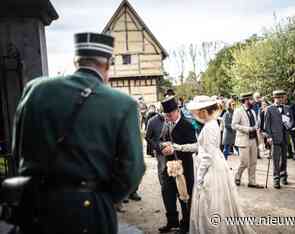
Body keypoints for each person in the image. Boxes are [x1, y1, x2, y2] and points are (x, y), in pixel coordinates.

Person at [11, 32, 145, 234]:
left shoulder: (34, 89)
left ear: (76, 61)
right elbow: (132, 169)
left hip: (36, 206)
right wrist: (103, 198)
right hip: (88, 211)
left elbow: (17, 150)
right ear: (107, 64)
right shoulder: (123, 104)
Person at [186, 96, 256, 234]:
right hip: (216, 163)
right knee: (217, 200)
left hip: (211, 168)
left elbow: (207, 155)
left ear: (204, 112)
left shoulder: (209, 126)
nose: (196, 115)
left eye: (197, 112)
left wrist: (199, 177)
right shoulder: (211, 124)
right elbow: (202, 147)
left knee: (211, 202)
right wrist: (180, 147)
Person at [158, 96, 197, 234]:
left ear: (177, 111)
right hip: (168, 167)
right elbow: (161, 140)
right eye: (166, 115)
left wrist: (176, 147)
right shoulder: (167, 123)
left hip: (184, 168)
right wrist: (162, 146)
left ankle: (185, 225)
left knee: (184, 196)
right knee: (167, 194)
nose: (167, 118)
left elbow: (194, 146)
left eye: (169, 115)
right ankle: (172, 222)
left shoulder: (187, 125)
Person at [232, 92, 263, 188]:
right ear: (246, 100)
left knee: (253, 162)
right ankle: (237, 176)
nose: (252, 101)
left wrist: (257, 126)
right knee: (244, 162)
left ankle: (252, 182)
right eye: (251, 99)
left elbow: (256, 123)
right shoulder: (238, 111)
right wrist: (247, 129)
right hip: (243, 140)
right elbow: (234, 125)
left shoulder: (253, 111)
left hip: (253, 139)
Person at [265, 90, 294, 189]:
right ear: (274, 98)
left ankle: (283, 176)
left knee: (284, 159)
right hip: (275, 138)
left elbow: (291, 121)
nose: (280, 99)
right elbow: (267, 125)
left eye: (282, 97)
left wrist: (288, 124)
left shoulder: (288, 108)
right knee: (276, 159)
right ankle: (276, 179)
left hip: (285, 137)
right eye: (278, 98)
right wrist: (268, 137)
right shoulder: (269, 109)